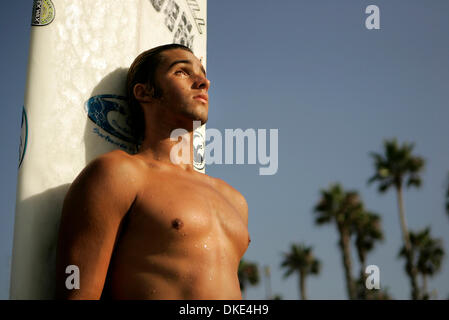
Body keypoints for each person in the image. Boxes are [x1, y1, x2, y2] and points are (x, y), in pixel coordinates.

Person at [55, 44, 250, 299]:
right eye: (181, 72)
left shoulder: (234, 200)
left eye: (202, 73)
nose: (203, 82)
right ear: (144, 92)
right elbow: (76, 290)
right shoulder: (119, 174)